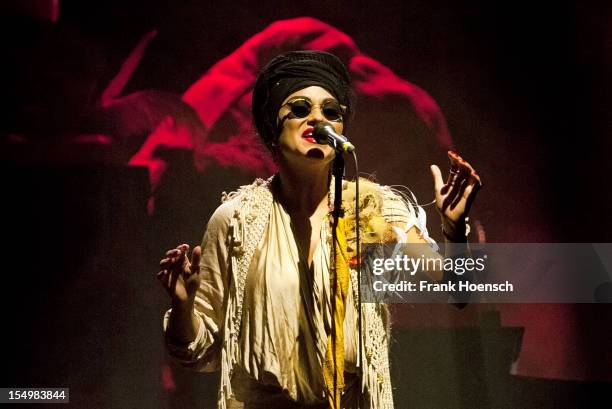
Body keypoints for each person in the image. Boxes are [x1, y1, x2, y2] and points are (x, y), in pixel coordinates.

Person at [157, 51, 481, 409]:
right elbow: (197, 351)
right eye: (299, 108)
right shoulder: (236, 221)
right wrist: (183, 307)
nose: (317, 118)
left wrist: (454, 229)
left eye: (331, 112)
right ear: (271, 125)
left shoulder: (375, 209)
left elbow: (457, 289)